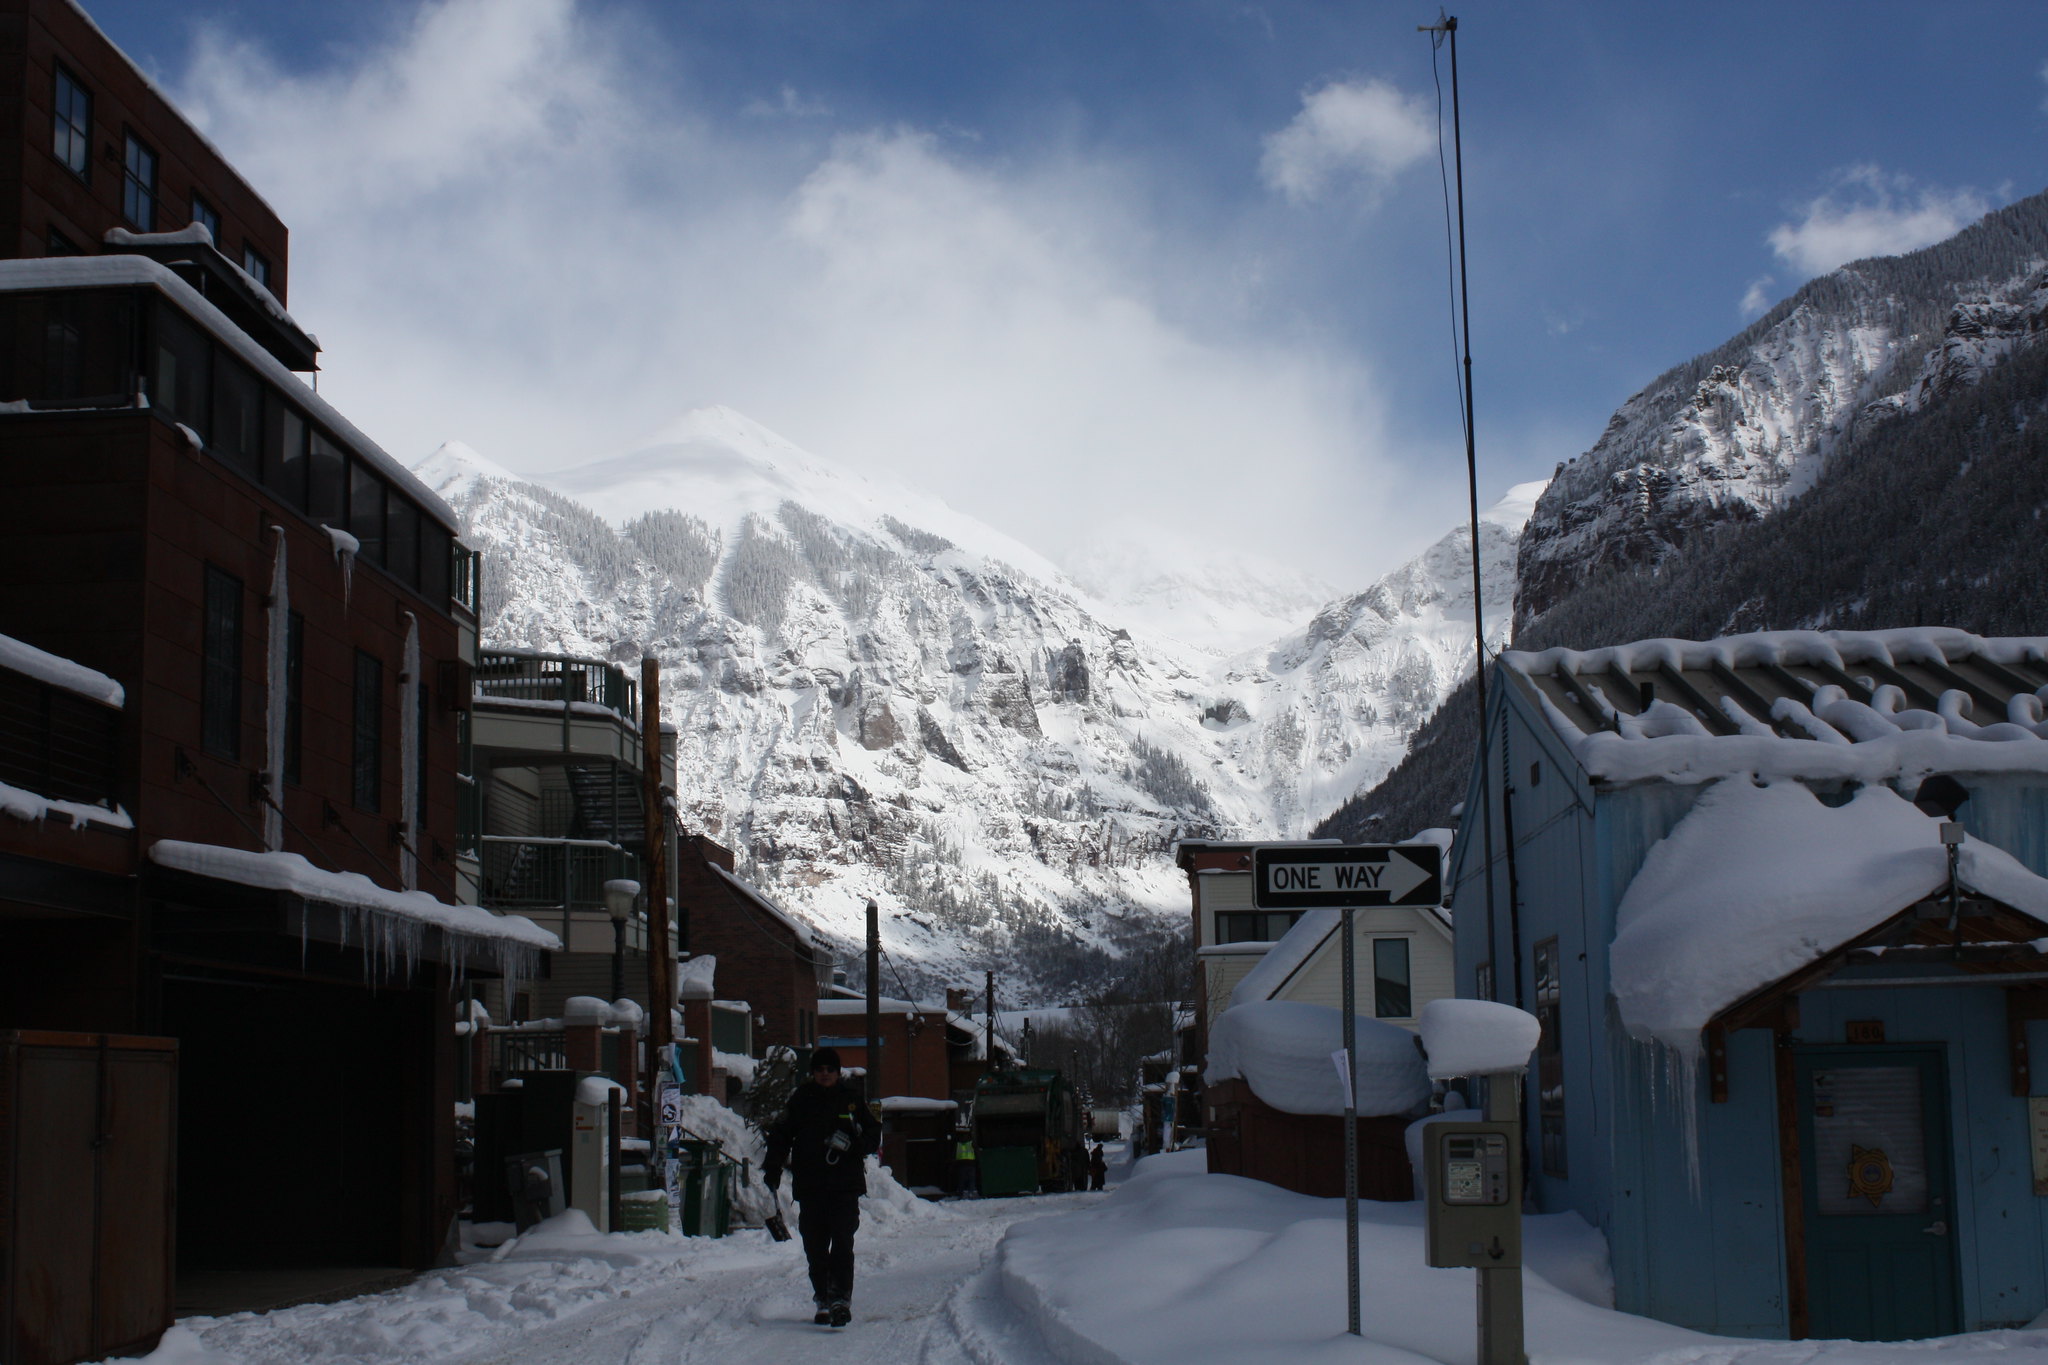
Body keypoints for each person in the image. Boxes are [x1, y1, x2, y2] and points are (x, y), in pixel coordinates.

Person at [763, 1048, 881, 1327]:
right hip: (811, 1186)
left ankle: (840, 1299)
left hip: (845, 1185)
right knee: (815, 1247)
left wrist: (856, 1146)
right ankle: (823, 1298)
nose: (825, 1074)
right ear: (813, 1072)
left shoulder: (851, 1099)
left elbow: (873, 1133)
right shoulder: (801, 1100)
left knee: (842, 1241)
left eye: (830, 1069)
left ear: (838, 1072)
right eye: (820, 1069)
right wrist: (772, 1167)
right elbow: (780, 1135)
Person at [953, 1129, 979, 1199]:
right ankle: (971, 1193)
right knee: (971, 1179)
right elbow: (976, 1152)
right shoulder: (971, 1142)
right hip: (971, 1163)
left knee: (961, 1180)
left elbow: (954, 1154)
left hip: (961, 1163)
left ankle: (961, 1194)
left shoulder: (957, 1144)